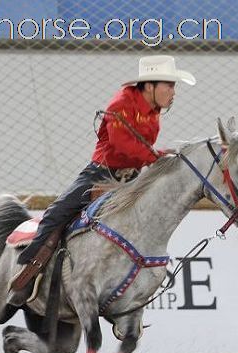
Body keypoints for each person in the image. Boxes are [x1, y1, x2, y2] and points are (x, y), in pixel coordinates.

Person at [10, 55, 196, 291]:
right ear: (150, 86)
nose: (173, 92)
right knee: (57, 212)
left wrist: (155, 157)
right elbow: (122, 145)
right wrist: (156, 157)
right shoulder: (121, 104)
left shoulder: (154, 112)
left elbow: (139, 150)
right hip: (101, 174)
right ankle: (29, 264)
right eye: (169, 85)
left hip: (132, 178)